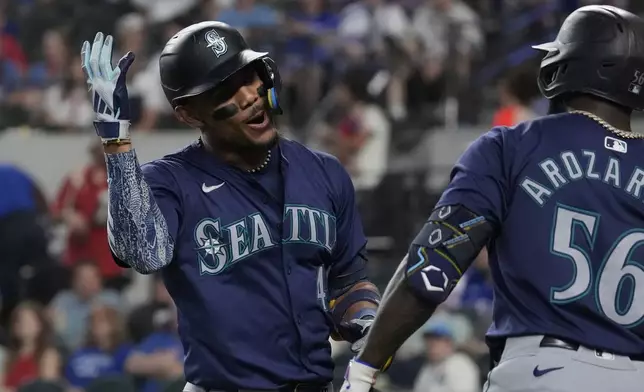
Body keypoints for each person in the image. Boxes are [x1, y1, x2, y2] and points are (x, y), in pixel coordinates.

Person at [340, 5, 644, 392]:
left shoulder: (511, 147)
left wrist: (366, 366)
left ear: (566, 64)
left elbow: (431, 269)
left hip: (543, 371)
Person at [80, 22, 381, 392]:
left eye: (248, 76)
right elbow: (143, 253)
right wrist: (116, 142)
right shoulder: (171, 180)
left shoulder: (325, 172)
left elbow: (347, 282)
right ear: (189, 114)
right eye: (224, 89)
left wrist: (371, 325)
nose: (248, 95)